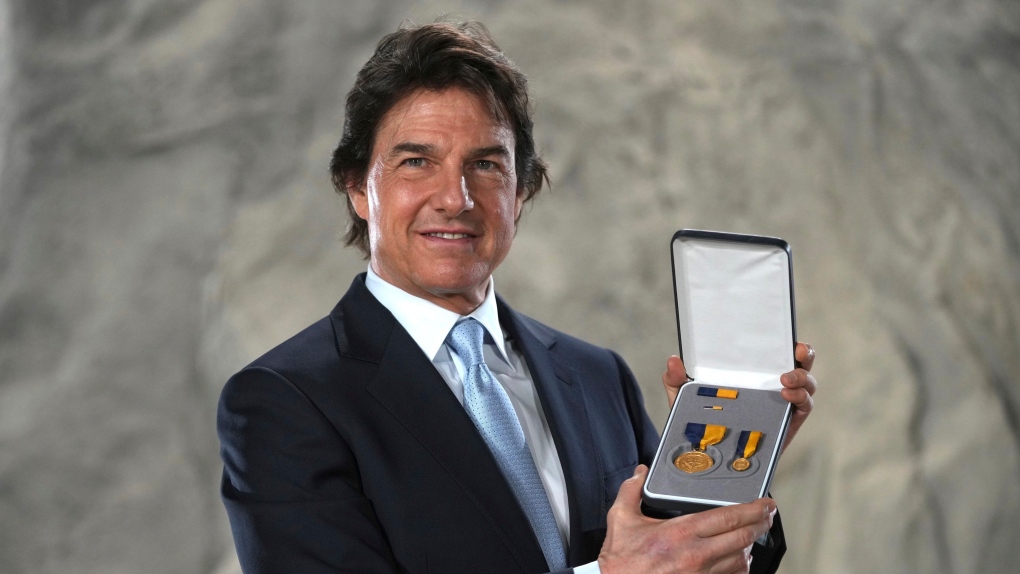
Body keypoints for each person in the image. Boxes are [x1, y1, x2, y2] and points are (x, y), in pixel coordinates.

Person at [217, 20, 817, 574]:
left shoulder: (597, 376)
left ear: (521, 190)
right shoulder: (283, 403)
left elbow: (673, 561)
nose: (455, 198)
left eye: (485, 164)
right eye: (416, 161)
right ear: (356, 187)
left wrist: (730, 471)